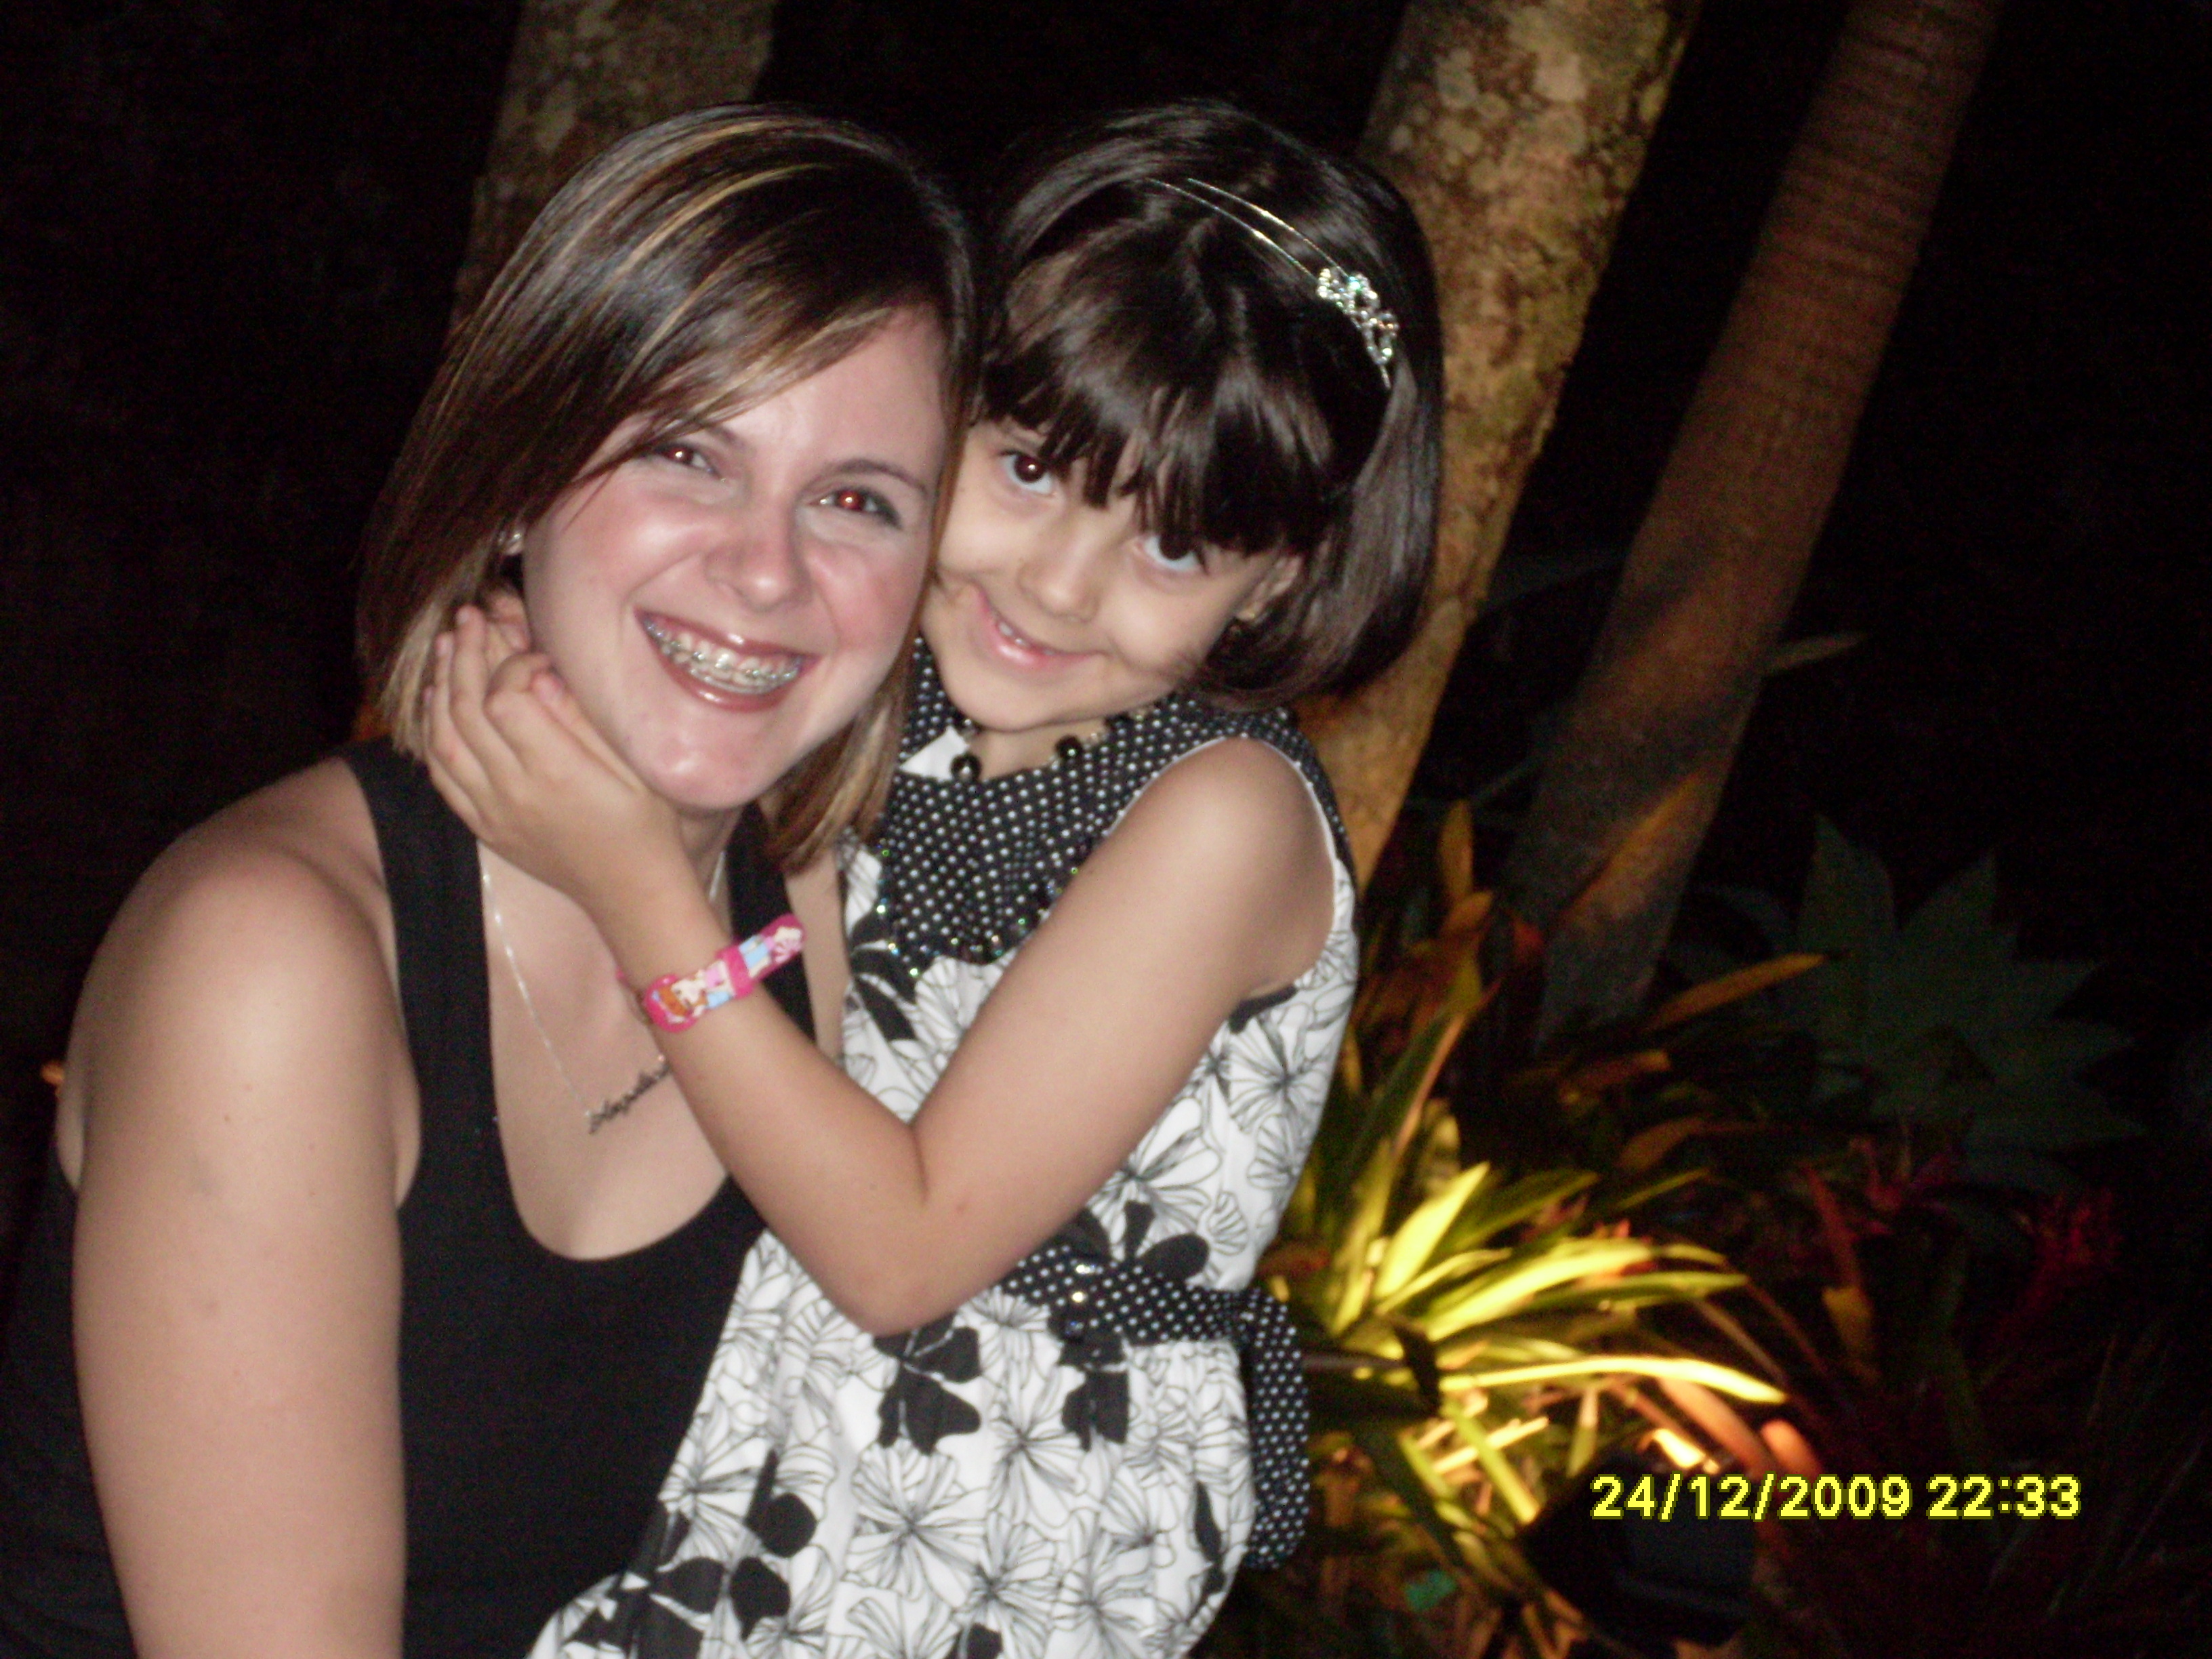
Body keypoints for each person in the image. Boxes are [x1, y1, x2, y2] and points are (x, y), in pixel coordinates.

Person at [427, 100, 1442, 1659]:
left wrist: (637, 886)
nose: (1059, 582)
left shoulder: (1220, 817)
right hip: (759, 1402)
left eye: (1174, 549)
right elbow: (817, 1032)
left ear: (1282, 575)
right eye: (1029, 467)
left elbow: (903, 1252)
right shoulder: (900, 698)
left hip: (989, 1512)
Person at [0, 107, 973, 1659]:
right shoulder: (272, 962)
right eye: (686, 453)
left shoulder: (817, 923)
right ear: (519, 478)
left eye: (858, 499)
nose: (768, 568)